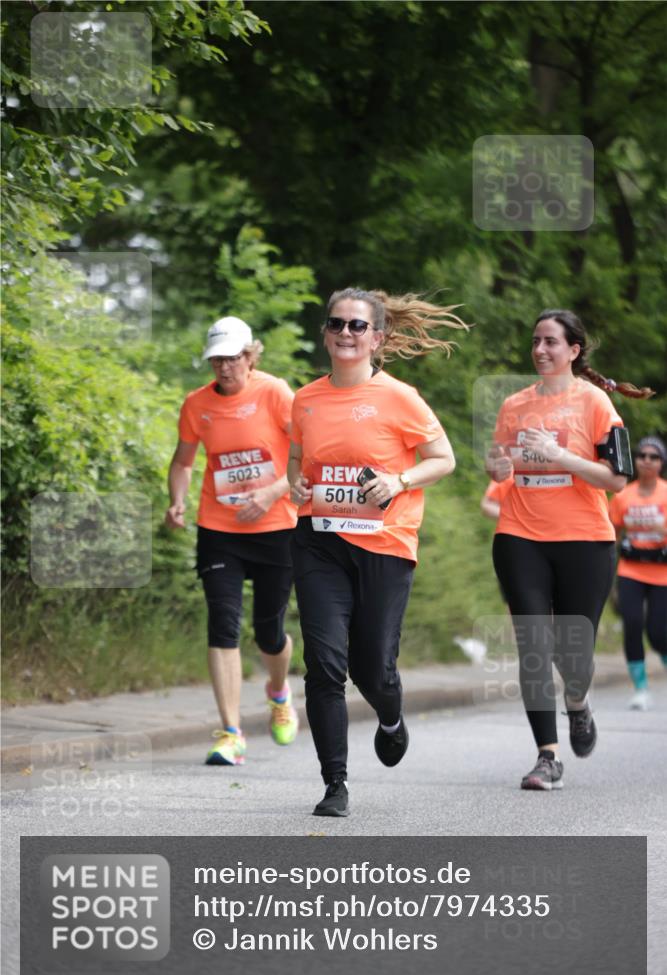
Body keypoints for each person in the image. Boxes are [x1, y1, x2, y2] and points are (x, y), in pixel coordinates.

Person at [288, 288, 465, 817]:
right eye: (336, 324)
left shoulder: (400, 397)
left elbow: (445, 458)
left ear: (377, 338)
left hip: (385, 545)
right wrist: (297, 484)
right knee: (323, 663)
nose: (346, 333)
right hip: (319, 540)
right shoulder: (306, 398)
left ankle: (391, 715)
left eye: (357, 327)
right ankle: (335, 783)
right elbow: (299, 459)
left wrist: (398, 480)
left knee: (373, 670)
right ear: (325, 333)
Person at [486, 308, 654, 791]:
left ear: (574, 350)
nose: (540, 350)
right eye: (536, 341)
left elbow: (617, 480)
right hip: (520, 535)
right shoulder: (514, 405)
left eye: (551, 342)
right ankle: (547, 756)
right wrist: (497, 467)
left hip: (584, 539)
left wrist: (560, 455)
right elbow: (501, 466)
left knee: (570, 653)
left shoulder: (598, 404)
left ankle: (577, 703)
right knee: (534, 647)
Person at [165, 316, 299, 766]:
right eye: (217, 359)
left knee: (268, 630)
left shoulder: (276, 392)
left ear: (251, 356)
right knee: (222, 622)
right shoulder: (196, 404)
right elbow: (183, 461)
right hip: (219, 529)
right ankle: (230, 733)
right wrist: (177, 500)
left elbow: (311, 453)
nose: (225, 367)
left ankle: (279, 693)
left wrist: (273, 491)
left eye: (234, 358)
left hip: (276, 527)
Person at [609, 436, 667, 710]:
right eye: (642, 455)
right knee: (632, 624)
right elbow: (611, 533)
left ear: (662, 462)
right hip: (630, 569)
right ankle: (640, 689)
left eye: (654, 456)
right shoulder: (623, 495)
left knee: (658, 633)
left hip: (662, 572)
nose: (647, 460)